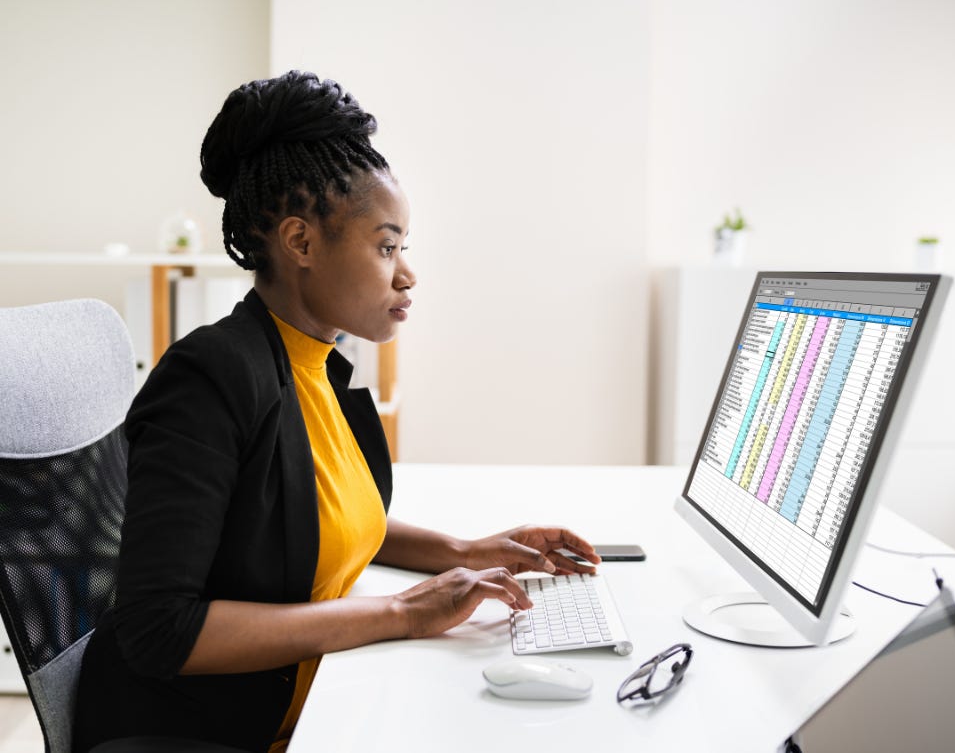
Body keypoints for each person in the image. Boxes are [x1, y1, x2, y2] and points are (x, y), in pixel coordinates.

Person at [73, 70, 601, 753]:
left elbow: (313, 524)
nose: (406, 273)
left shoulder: (320, 368)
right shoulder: (211, 378)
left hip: (313, 707)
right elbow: (158, 629)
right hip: (193, 733)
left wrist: (468, 550)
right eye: (387, 247)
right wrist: (398, 613)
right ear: (300, 243)